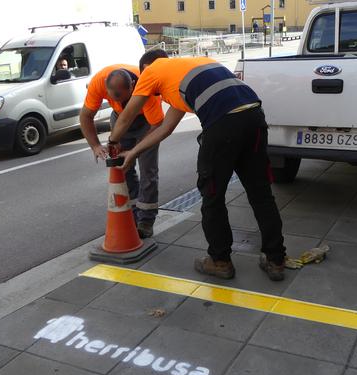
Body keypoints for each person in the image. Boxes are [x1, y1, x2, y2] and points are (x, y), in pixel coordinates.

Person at [107, 49, 287, 281]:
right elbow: (165, 128)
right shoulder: (188, 70)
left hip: (223, 124)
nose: (152, 93)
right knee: (261, 193)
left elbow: (125, 117)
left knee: (212, 196)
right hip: (254, 117)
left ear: (145, 71)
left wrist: (113, 142)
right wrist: (133, 152)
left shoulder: (151, 70)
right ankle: (276, 260)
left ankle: (220, 261)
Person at [79, 64, 164, 238]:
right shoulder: (98, 83)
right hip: (119, 119)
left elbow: (157, 126)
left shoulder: (147, 86)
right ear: (106, 88)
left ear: (132, 85)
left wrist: (136, 150)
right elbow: (86, 116)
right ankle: (132, 215)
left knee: (148, 170)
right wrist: (95, 145)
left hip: (147, 123)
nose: (118, 102)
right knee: (123, 168)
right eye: (113, 98)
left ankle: (146, 221)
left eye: (123, 98)